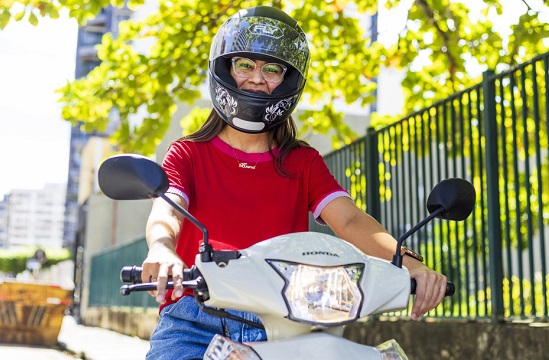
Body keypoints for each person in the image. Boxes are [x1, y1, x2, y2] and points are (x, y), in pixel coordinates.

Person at [142, 5, 448, 359]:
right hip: (196, 321)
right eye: (245, 65)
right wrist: (161, 247)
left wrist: (410, 263)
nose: (257, 78)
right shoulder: (188, 154)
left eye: (271, 69)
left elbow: (349, 220)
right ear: (225, 69)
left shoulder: (302, 162)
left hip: (287, 322)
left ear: (287, 80)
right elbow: (168, 211)